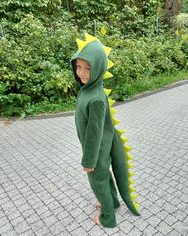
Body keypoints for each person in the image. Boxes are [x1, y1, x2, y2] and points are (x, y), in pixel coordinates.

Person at [70, 33, 140, 228]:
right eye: (78, 66)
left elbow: (94, 134)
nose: (81, 73)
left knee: (97, 182)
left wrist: (89, 160)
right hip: (97, 148)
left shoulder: (97, 98)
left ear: (99, 68)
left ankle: (108, 217)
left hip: (97, 151)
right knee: (105, 177)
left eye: (88, 68)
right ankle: (114, 201)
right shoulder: (88, 89)